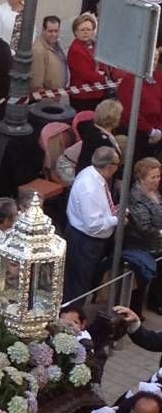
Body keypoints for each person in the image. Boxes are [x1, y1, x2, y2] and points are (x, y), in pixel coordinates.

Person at [63, 147, 120, 303]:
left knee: (81, 281)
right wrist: (117, 219)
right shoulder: (89, 187)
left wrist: (112, 212)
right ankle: (72, 316)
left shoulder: (92, 174)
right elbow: (93, 225)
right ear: (109, 166)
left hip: (87, 239)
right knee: (78, 284)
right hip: (85, 242)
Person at [124, 157, 162, 312]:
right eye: (153, 177)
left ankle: (156, 300)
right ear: (141, 178)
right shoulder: (136, 197)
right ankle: (137, 309)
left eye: (158, 176)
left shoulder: (155, 192)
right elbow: (144, 228)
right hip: (142, 245)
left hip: (157, 242)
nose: (157, 180)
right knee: (143, 279)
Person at [116, 40, 162, 161]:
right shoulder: (130, 80)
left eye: (155, 59)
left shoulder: (158, 77)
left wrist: (159, 130)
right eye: (150, 59)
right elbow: (129, 111)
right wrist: (151, 131)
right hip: (138, 132)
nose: (153, 63)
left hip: (158, 130)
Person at [68, 13, 108, 113]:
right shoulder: (76, 50)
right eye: (82, 30)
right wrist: (104, 78)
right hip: (83, 97)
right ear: (75, 32)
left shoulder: (94, 45)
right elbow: (87, 74)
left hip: (97, 93)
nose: (85, 32)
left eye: (89, 29)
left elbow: (103, 63)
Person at [76, 98, 124, 173]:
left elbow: (80, 124)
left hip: (83, 170)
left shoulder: (91, 127)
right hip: (93, 176)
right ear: (114, 118)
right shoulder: (102, 141)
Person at [30, 16, 68, 93]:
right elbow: (36, 84)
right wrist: (48, 100)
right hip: (47, 99)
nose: (54, 34)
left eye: (56, 31)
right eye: (50, 31)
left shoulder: (55, 44)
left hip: (55, 95)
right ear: (43, 30)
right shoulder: (38, 51)